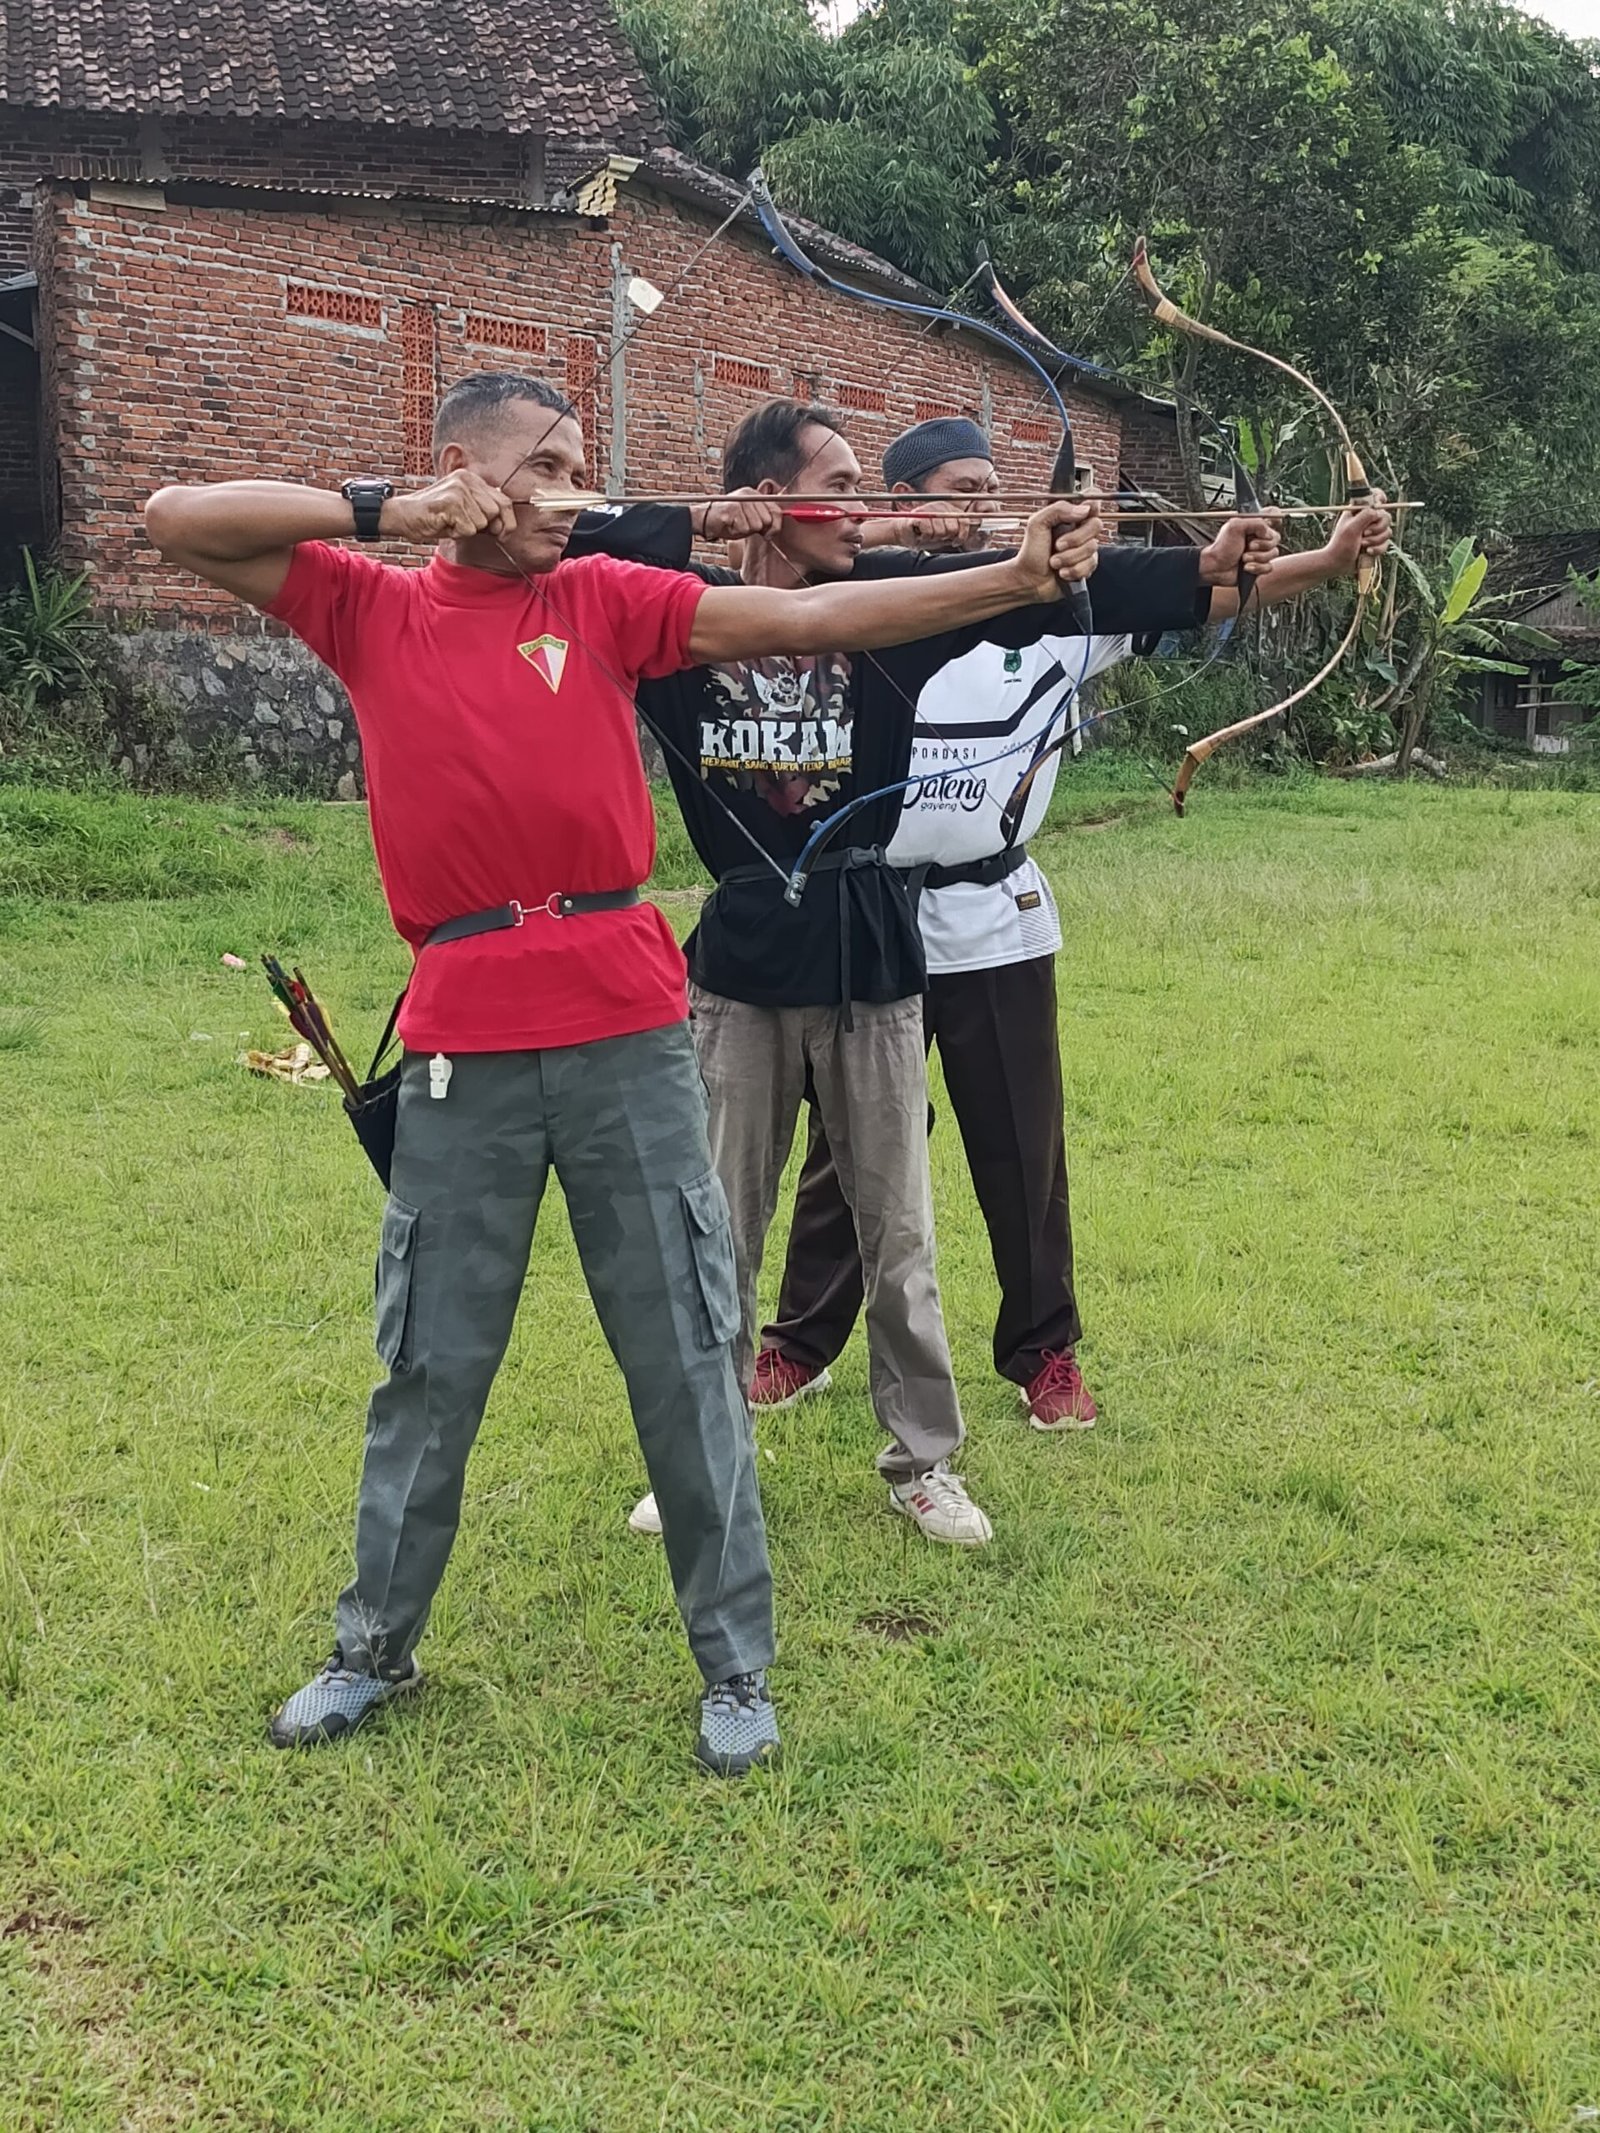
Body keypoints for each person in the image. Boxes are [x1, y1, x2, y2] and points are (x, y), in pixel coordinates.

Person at [141, 373, 1101, 1776]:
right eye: (547, 463)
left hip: (627, 1019)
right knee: (431, 1357)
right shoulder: (374, 605)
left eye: (586, 462)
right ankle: (372, 1650)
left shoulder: (602, 597)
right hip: (468, 1026)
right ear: (461, 470)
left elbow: (813, 613)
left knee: (684, 1345)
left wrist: (1004, 577)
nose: (576, 488)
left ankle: (736, 1669)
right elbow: (177, 518)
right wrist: (388, 510)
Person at [597, 399, 1277, 1547]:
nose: (864, 505)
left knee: (897, 1233)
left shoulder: (889, 618)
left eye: (873, 484)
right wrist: (703, 522)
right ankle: (697, 1454)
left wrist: (1202, 572)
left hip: (872, 943)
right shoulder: (672, 619)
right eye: (840, 483)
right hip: (742, 961)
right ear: (769, 494)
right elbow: (562, 547)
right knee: (713, 1228)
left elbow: (1061, 591)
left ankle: (923, 1460)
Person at [751, 416, 1394, 1431]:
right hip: (872, 910)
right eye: (952, 489)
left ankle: (1042, 1354)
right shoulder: (865, 605)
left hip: (994, 912)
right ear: (904, 506)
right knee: (850, 1139)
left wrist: (1323, 555)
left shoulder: (1053, 601)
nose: (978, 504)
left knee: (1020, 1143)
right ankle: (800, 1342)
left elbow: (1206, 589)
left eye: (988, 486)